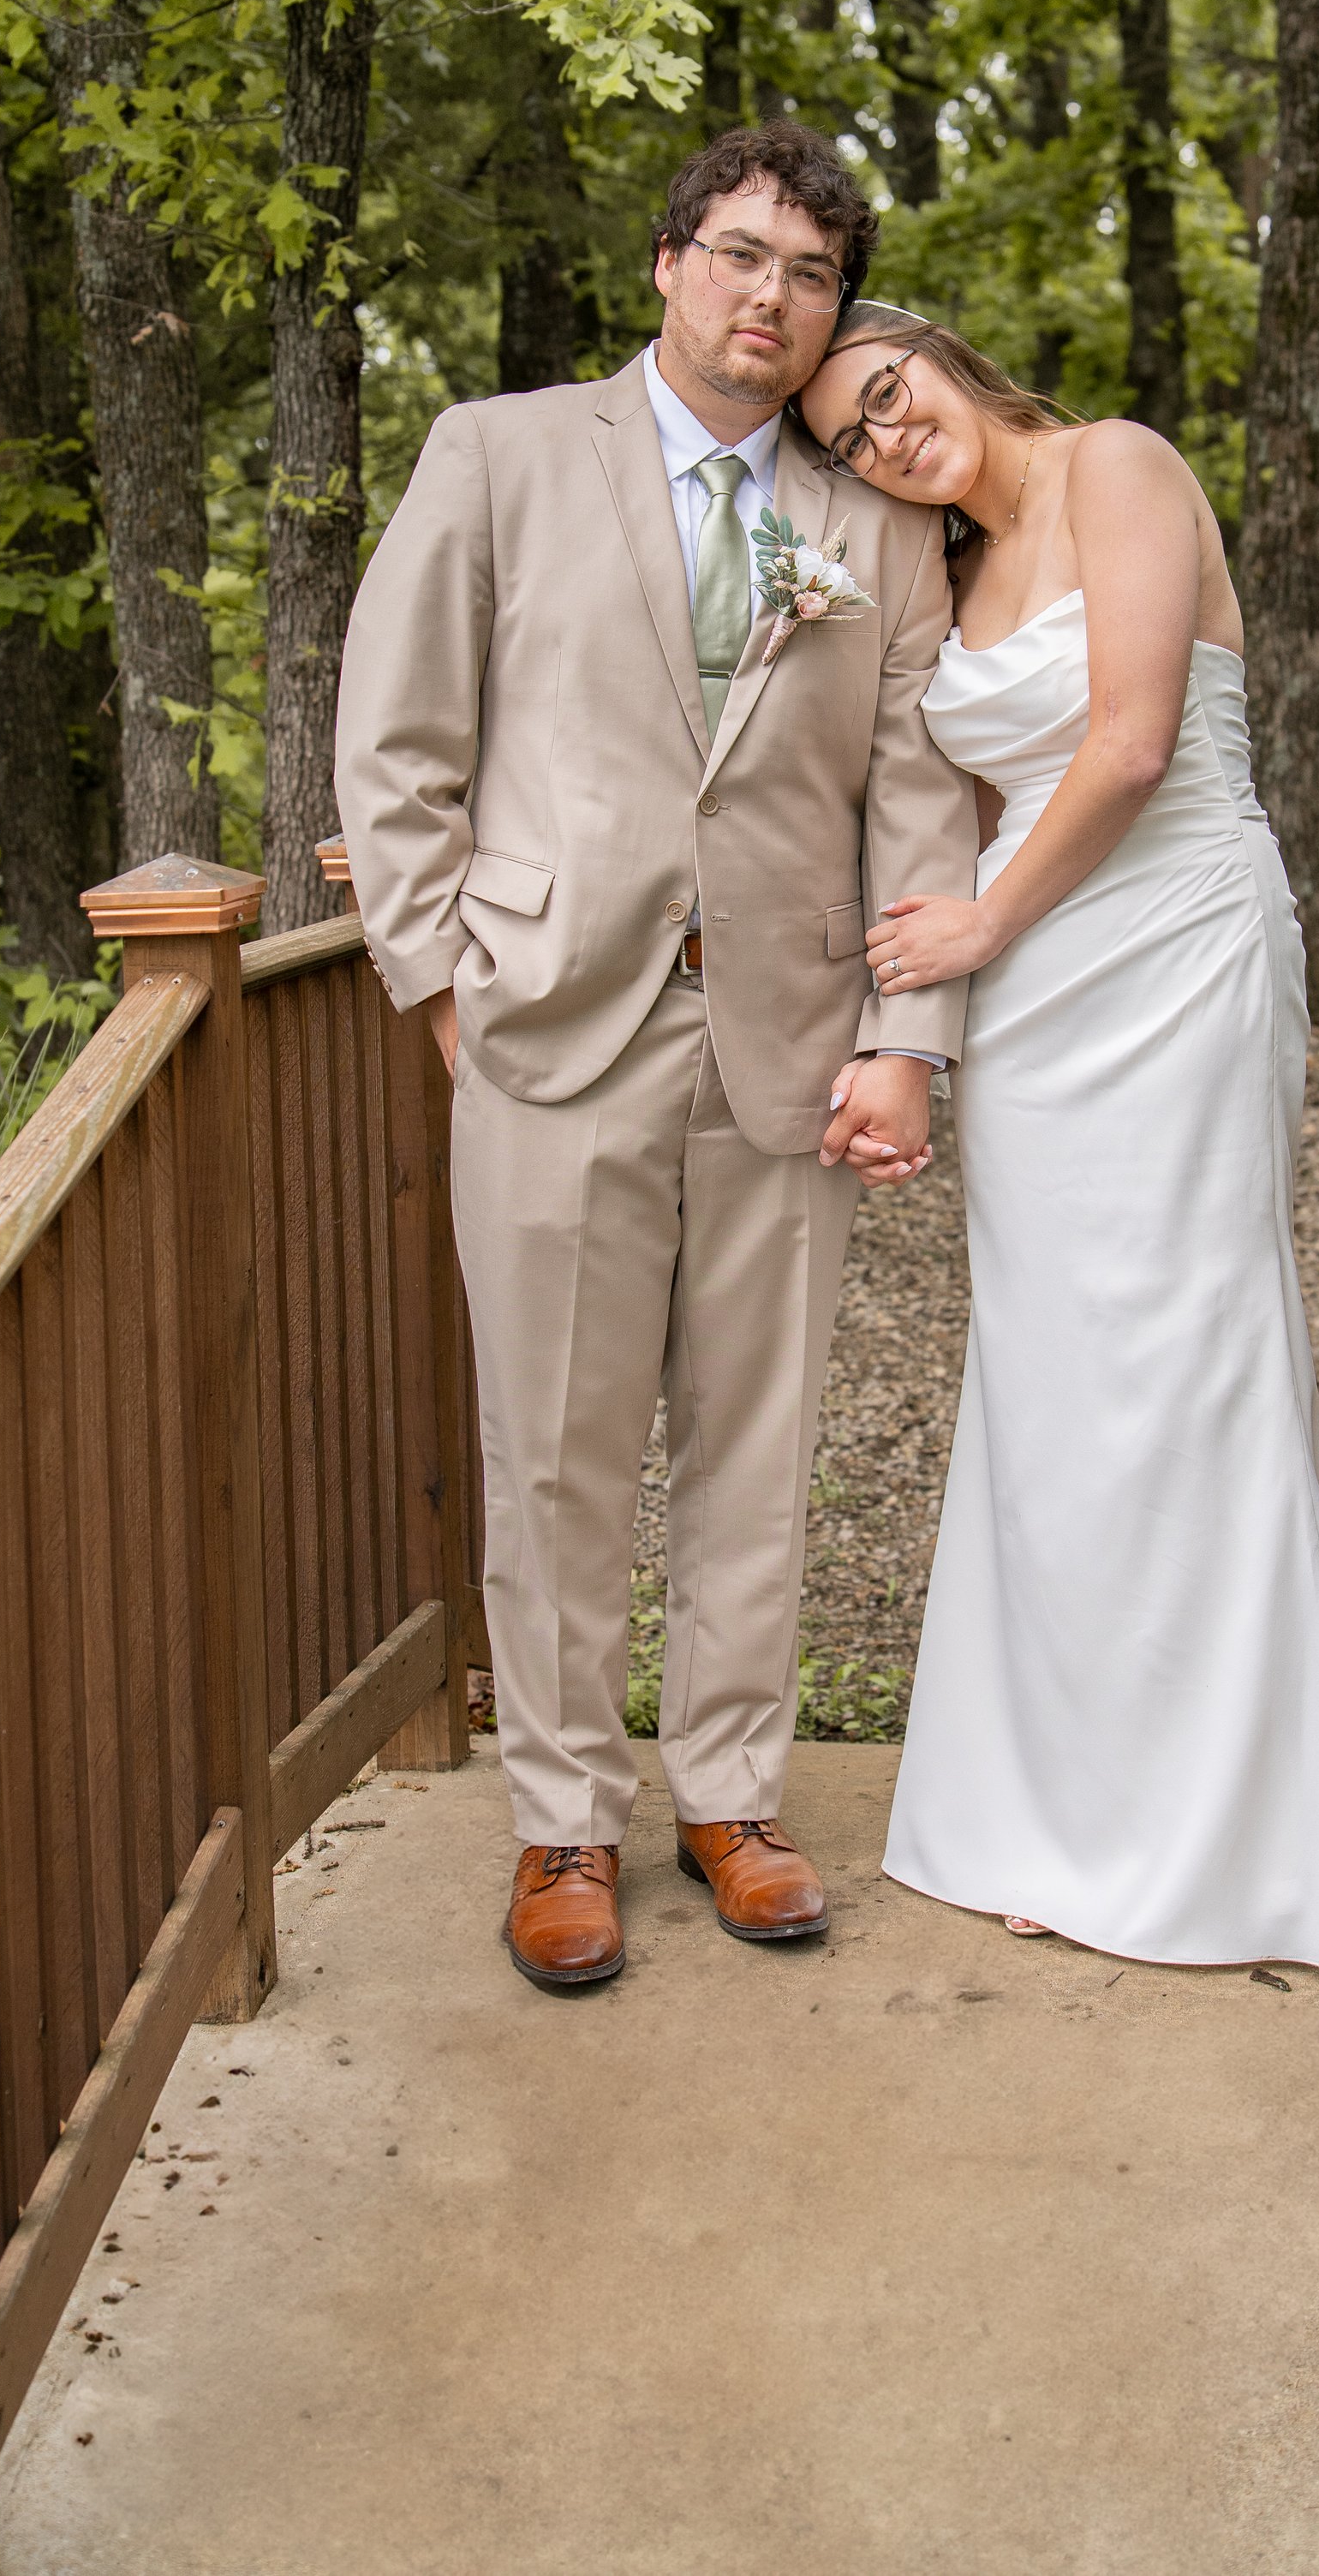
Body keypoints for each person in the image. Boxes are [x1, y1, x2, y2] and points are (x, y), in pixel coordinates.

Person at [334, 128, 977, 1993]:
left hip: (783, 1037)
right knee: (550, 1446)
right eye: (742, 256)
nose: (771, 298)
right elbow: (397, 744)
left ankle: (729, 1798)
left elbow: (918, 796)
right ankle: (560, 1822)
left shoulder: (875, 524)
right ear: (668, 264)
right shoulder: (500, 453)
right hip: (548, 1025)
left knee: (753, 1444)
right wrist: (440, 988)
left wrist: (903, 1042)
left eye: (810, 277)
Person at [797, 305, 1319, 1969]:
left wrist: (974, 928)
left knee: (1190, 1350)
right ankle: (1067, 1798)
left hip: (1179, 940)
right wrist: (915, 999)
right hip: (1040, 1004)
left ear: (944, 359)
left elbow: (1123, 745)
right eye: (847, 440)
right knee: (1055, 1373)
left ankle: (1244, 1817)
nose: (885, 442)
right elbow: (961, 796)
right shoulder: (949, 575)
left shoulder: (1118, 464)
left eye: (886, 397)